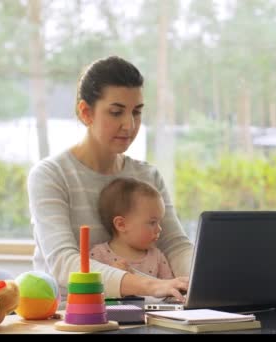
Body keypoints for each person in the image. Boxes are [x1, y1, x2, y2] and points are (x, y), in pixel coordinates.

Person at [27, 56, 192, 301]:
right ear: (85, 112)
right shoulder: (50, 175)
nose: (129, 124)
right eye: (116, 112)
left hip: (141, 316)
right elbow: (65, 263)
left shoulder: (148, 176)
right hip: (69, 317)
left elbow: (175, 246)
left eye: (137, 112)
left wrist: (207, 279)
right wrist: (149, 285)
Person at [91, 177, 175, 280]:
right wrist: (111, 276)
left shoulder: (157, 258)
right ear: (121, 224)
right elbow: (88, 291)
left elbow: (170, 290)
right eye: (152, 222)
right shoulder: (99, 255)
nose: (159, 229)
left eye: (159, 222)